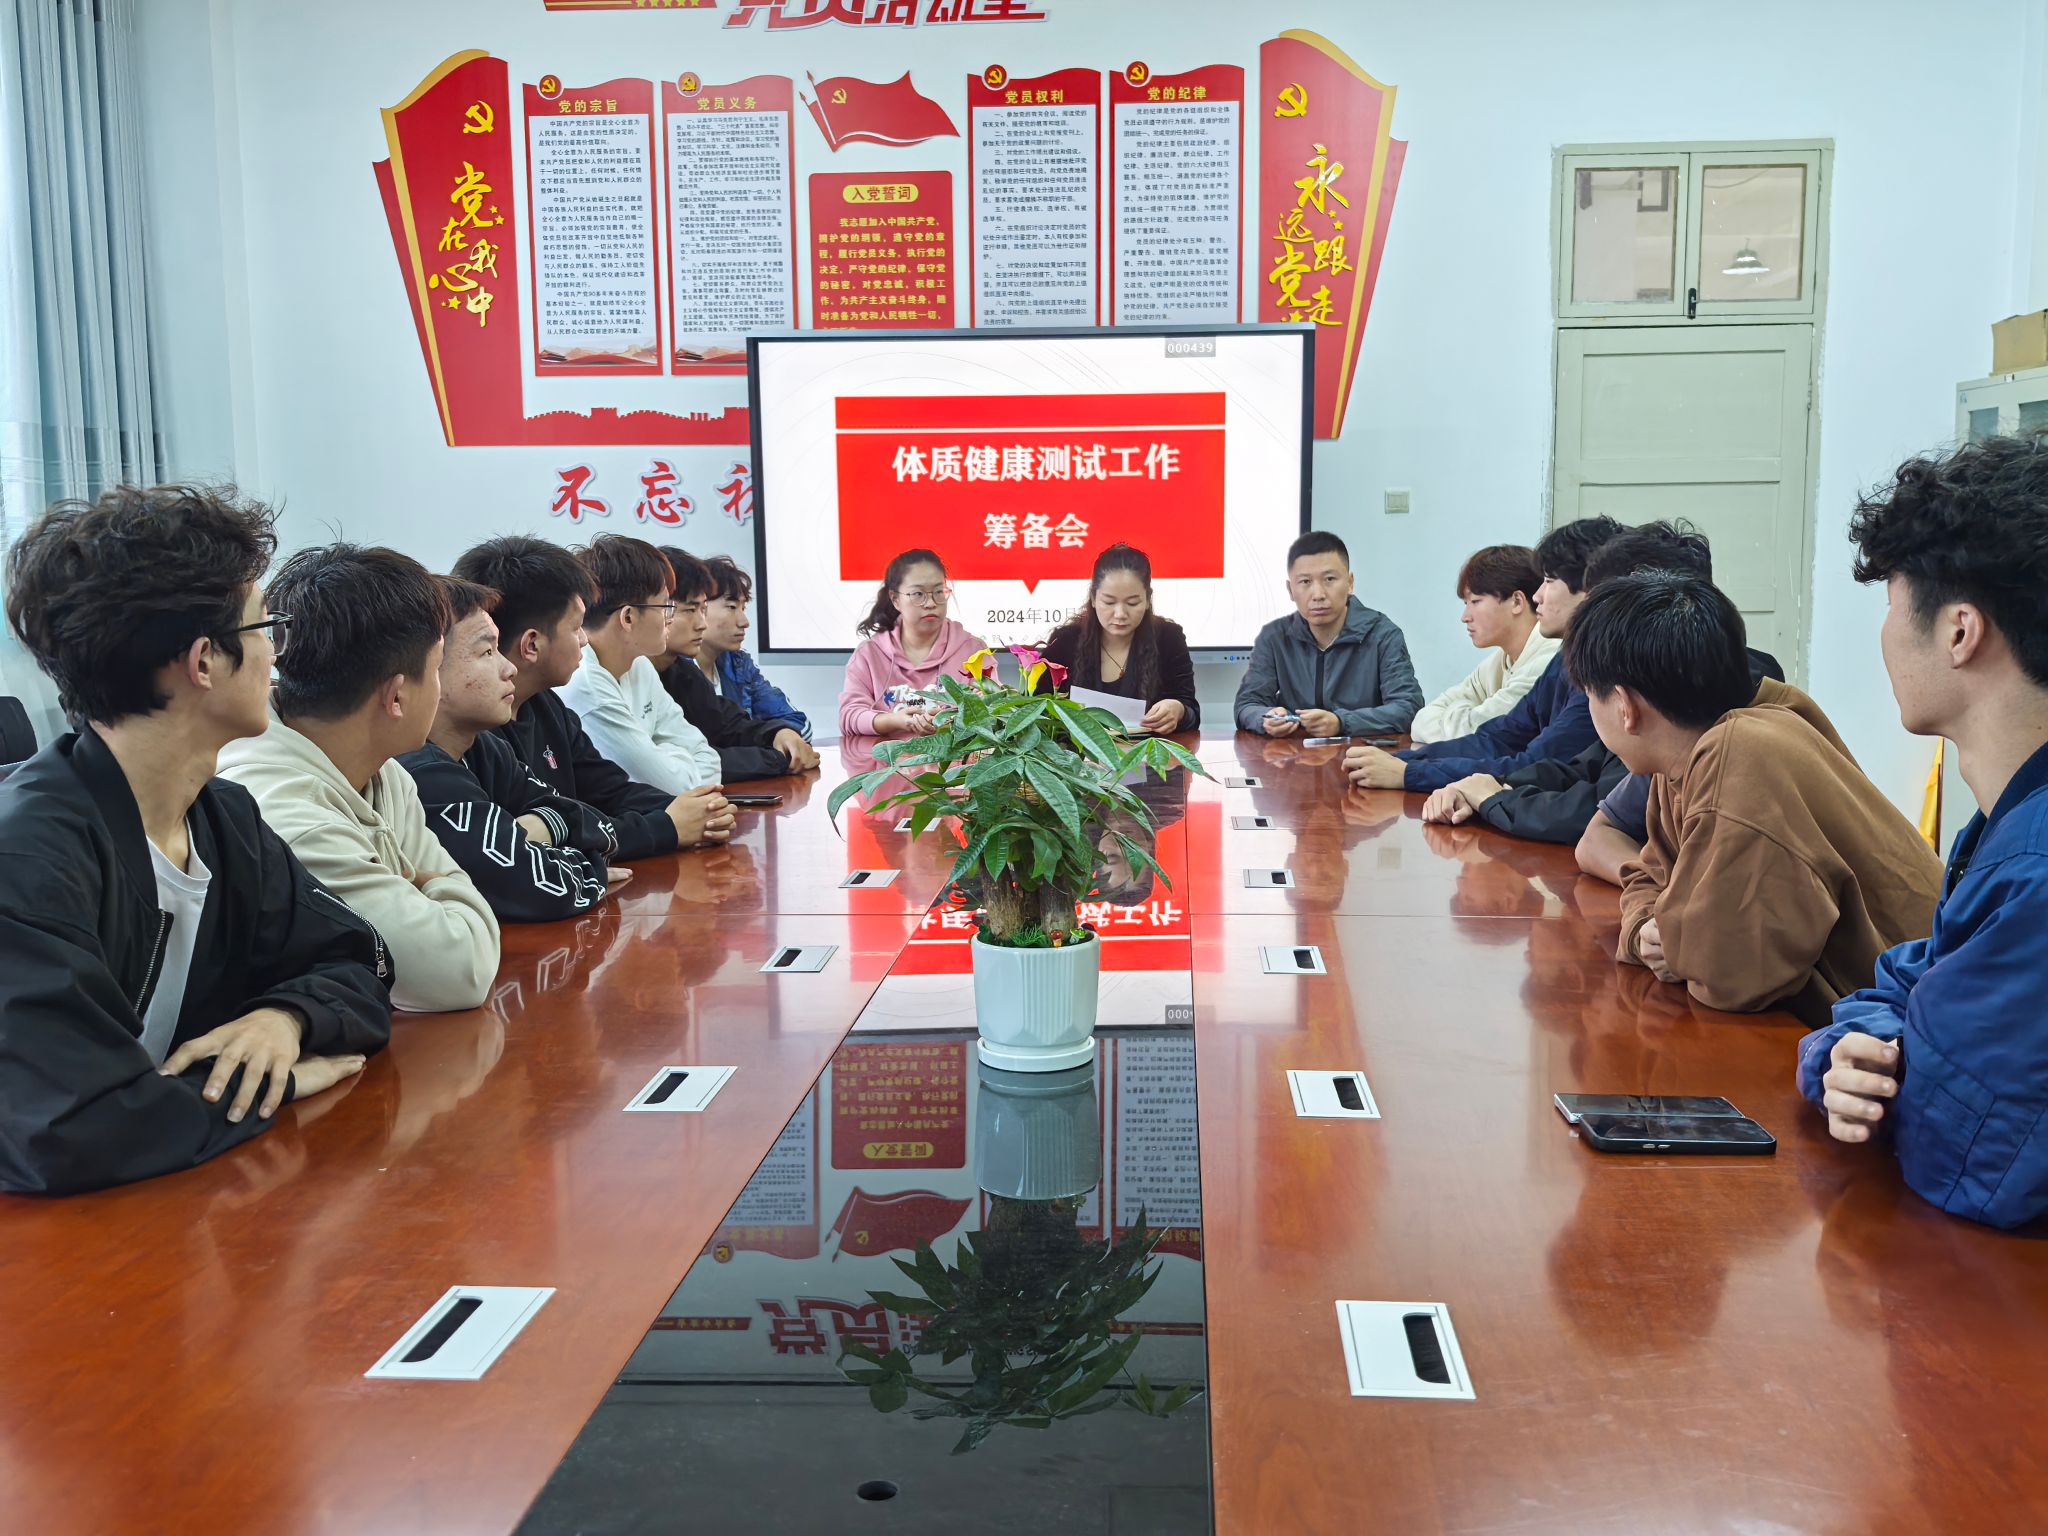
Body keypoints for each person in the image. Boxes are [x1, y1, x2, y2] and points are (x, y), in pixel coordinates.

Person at [0, 486, 392, 1195]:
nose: (276, 653)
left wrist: (285, 1019)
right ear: (204, 661)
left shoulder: (224, 819)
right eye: (266, 626)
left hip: (166, 1203)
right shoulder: (27, 857)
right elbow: (67, 1131)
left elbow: (357, 960)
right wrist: (273, 1085)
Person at [1797, 435, 2048, 1228]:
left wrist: (1872, 1075)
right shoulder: (2006, 818)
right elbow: (1904, 983)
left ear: (1960, 632)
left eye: (1890, 607)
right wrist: (1844, 1055)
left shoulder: (2037, 870)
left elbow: (1967, 1161)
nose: (1884, 634)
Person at [1566, 570, 1940, 1022]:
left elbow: (1730, 975)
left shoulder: (1742, 754)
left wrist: (1676, 940)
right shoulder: (1680, 759)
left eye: (1591, 696)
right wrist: (1646, 928)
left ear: (1625, 706)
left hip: (1917, 1027)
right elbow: (1650, 876)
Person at [218, 543, 501, 1013]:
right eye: (436, 669)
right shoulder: (281, 809)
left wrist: (424, 886)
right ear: (396, 697)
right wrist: (427, 883)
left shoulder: (386, 773)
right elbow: (458, 970)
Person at [1420, 522, 1785, 852]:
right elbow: (1585, 780)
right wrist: (1489, 786)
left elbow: (1590, 811)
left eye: (1599, 601)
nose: (1539, 597)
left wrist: (1494, 798)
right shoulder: (1625, 678)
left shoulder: (1705, 710)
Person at [450, 535, 731, 855]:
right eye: (576, 628)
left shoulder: (547, 704)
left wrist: (695, 812)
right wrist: (667, 825)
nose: (585, 639)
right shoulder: (477, 730)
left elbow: (607, 792)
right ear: (532, 644)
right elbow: (533, 838)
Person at [399, 577, 626, 922]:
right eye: (487, 652)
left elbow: (593, 823)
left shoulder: (484, 746)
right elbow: (542, 890)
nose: (509, 668)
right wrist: (582, 862)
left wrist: (537, 828)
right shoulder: (421, 771)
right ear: (430, 669)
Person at [1346, 516, 1619, 793]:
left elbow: (1534, 766)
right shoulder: (1565, 658)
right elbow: (1498, 737)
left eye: (1549, 581)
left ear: (1591, 589)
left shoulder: (1603, 670)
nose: (1537, 596)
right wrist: (1402, 761)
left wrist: (1409, 773)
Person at [557, 535, 723, 797]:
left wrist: (660, 756)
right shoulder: (586, 685)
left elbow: (709, 759)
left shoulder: (639, 665)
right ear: (628, 617)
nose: (669, 618)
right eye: (665, 606)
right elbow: (670, 789)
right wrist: (671, 754)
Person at [652, 545, 819, 781]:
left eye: (702, 610)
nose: (701, 623)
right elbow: (685, 761)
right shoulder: (633, 673)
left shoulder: (687, 672)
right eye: (691, 610)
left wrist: (779, 734)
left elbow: (730, 726)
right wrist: (777, 758)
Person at [1233, 530, 1422, 738]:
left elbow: (1408, 707)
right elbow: (1247, 705)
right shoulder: (1274, 637)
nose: (1318, 595)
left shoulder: (1382, 635)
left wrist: (1342, 722)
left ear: (1350, 583)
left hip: (1362, 752)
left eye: (1329, 579)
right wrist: (1265, 718)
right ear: (1290, 589)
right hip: (1293, 753)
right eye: (1305, 582)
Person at [1038, 543, 1200, 734]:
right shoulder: (1065, 641)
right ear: (1093, 598)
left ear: (1148, 599)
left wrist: (1178, 710)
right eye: (1109, 602)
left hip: (1147, 749)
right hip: (1078, 751)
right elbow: (1036, 709)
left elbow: (1192, 712)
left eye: (1132, 603)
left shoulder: (1168, 638)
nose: (1120, 613)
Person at [1408, 544, 1559, 744]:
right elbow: (1421, 721)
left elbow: (1479, 733)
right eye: (1466, 604)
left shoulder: (1548, 659)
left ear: (1517, 602)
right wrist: (1466, 714)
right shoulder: (1498, 661)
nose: (1465, 617)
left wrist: (1459, 711)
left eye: (1475, 601)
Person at [840, 548, 988, 738]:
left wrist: (948, 719)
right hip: (886, 757)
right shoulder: (869, 654)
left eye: (938, 592)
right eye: (918, 594)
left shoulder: (973, 650)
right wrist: (895, 721)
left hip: (953, 757)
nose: (931, 603)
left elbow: (991, 707)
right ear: (895, 599)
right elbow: (849, 716)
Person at [699, 555, 812, 742]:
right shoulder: (674, 671)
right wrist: (765, 739)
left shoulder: (738, 664)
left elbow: (801, 726)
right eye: (731, 607)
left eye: (743, 608)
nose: (744, 622)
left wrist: (772, 736)